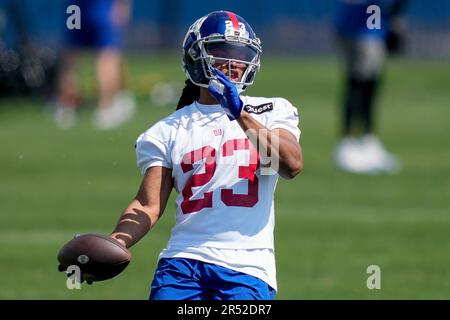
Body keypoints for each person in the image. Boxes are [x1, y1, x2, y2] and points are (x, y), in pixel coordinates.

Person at [109, 11, 303, 300]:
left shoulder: (272, 110)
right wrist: (116, 242)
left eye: (240, 54)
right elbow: (148, 205)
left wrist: (240, 114)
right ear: (195, 58)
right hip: (180, 266)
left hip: (247, 268)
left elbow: (290, 165)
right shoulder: (168, 130)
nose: (233, 63)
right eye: (221, 52)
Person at [333, 0, 407, 173]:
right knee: (358, 84)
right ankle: (347, 143)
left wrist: (395, 16)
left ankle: (368, 141)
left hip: (376, 24)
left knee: (371, 86)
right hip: (360, 25)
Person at [54, 0, 135, 130]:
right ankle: (106, 108)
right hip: (101, 6)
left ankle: (66, 106)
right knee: (107, 54)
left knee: (71, 53)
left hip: (75, 7)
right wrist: (123, 4)